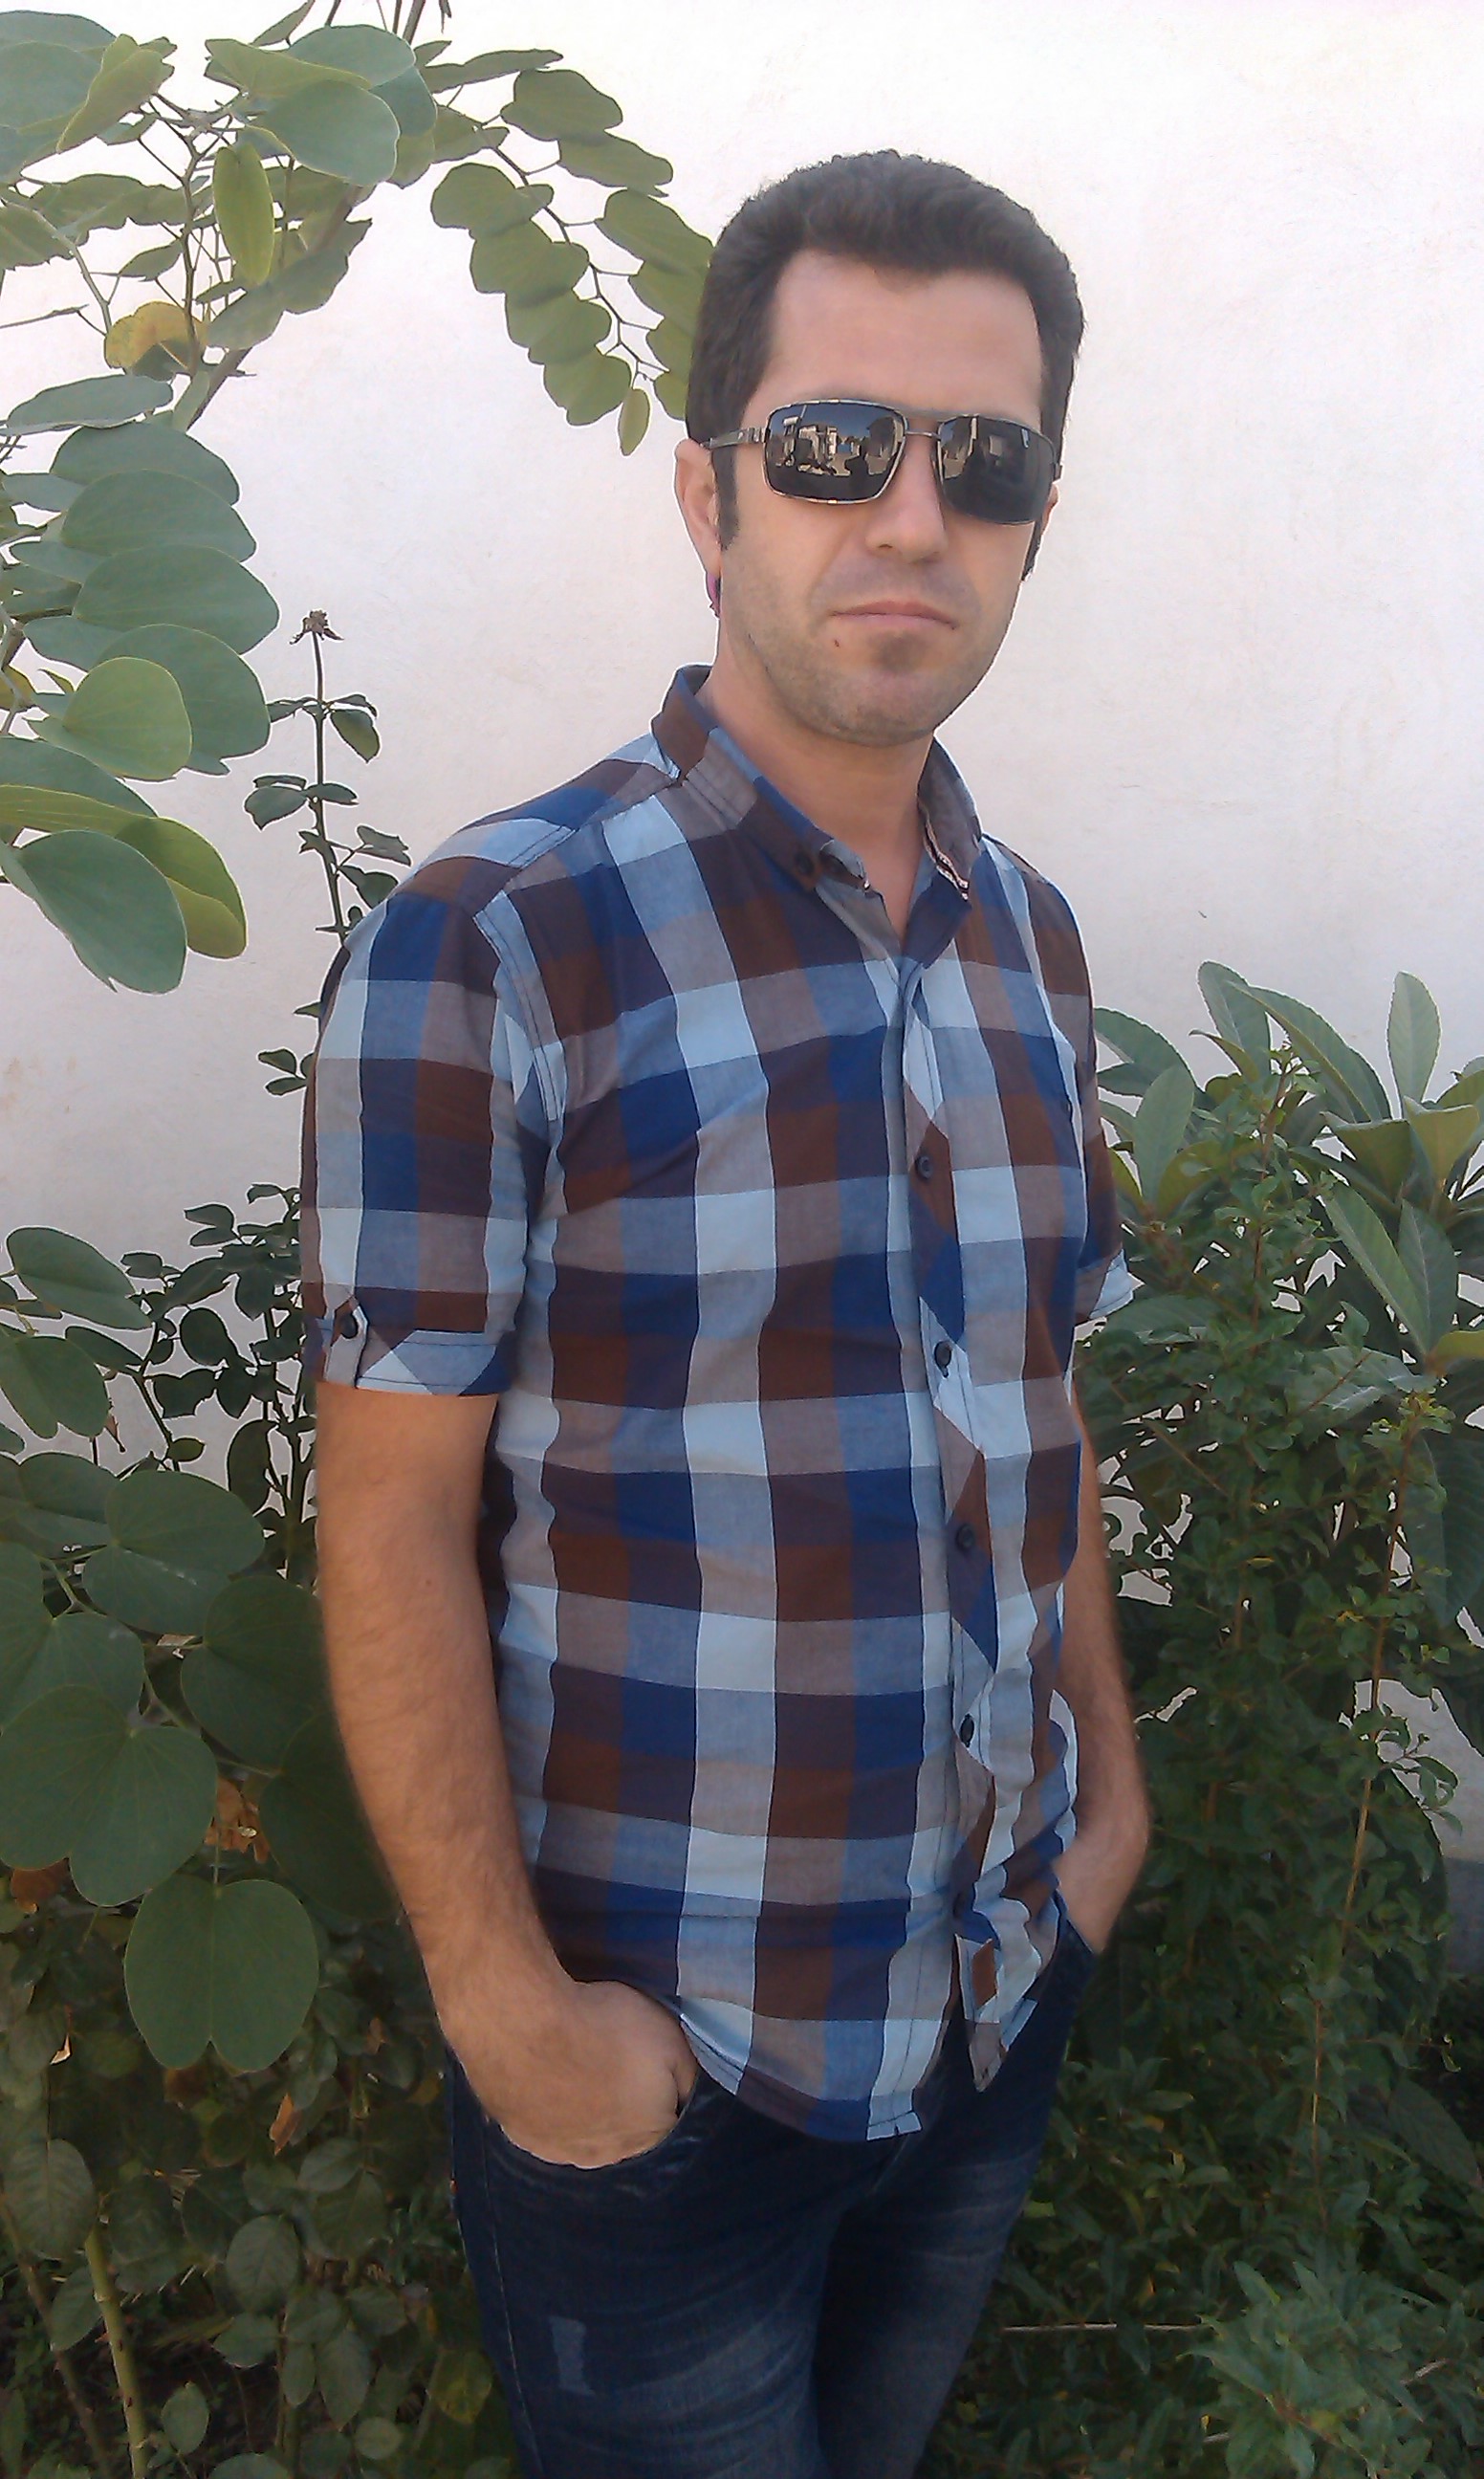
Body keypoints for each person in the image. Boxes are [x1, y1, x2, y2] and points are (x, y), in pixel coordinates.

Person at [301, 148, 1151, 2479]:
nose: (910, 517)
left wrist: (1108, 1810)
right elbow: (386, 1520)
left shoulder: (1029, 943)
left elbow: (1030, 1390)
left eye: (983, 463)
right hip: (666, 2078)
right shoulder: (492, 944)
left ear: (1032, 521)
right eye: (833, 445)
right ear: (708, 495)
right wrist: (514, 2020)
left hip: (990, 2005)